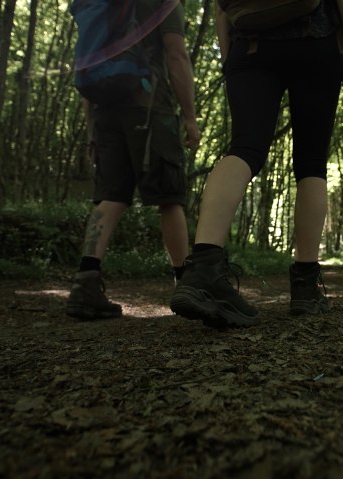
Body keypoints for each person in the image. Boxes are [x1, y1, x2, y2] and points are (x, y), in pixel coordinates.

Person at [170, 0, 343, 328]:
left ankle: (203, 267)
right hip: (314, 40)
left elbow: (220, 8)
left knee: (243, 149)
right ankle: (305, 286)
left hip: (249, 46)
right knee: (311, 163)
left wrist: (229, 57)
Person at [66, 0, 200, 320]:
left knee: (111, 195)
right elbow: (176, 54)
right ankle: (187, 286)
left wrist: (92, 131)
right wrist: (191, 118)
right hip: (150, 105)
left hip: (104, 110)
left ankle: (86, 283)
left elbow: (89, 65)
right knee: (169, 195)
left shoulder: (99, 5)